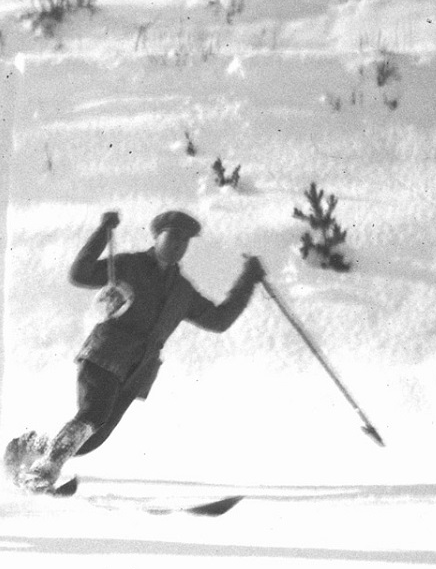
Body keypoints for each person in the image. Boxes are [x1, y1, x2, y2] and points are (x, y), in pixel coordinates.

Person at [14, 208, 265, 491]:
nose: (177, 246)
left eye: (184, 243)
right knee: (92, 416)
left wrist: (248, 281)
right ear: (157, 237)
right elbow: (80, 274)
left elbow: (219, 320)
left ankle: (31, 445)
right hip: (105, 356)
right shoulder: (128, 265)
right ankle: (43, 471)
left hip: (137, 372)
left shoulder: (182, 291)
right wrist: (101, 232)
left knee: (93, 438)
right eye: (172, 238)